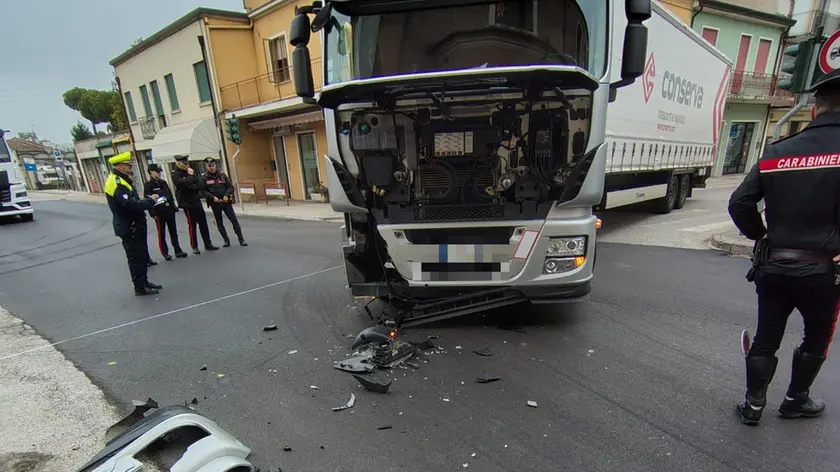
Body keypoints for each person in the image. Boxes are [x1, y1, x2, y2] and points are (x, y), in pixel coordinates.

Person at [728, 68, 840, 426]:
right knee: (818, 334)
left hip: (774, 264)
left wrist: (760, 236)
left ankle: (753, 405)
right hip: (824, 270)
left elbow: (740, 203)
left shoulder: (778, 152)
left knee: (767, 333)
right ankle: (795, 400)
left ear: (813, 110)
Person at [103, 151, 163, 296]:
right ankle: (140, 287)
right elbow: (131, 204)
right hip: (129, 227)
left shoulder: (122, 180)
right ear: (121, 166)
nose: (131, 169)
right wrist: (150, 201)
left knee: (141, 255)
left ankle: (144, 281)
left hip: (134, 225)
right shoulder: (117, 183)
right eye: (128, 166)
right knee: (135, 258)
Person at [171, 155, 218, 254]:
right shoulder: (176, 174)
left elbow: (199, 185)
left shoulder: (190, 172)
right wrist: (190, 177)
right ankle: (194, 246)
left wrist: (191, 183)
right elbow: (182, 184)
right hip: (187, 203)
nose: (186, 165)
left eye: (187, 163)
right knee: (192, 225)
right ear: (178, 163)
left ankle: (208, 243)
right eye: (184, 163)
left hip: (196, 200)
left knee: (203, 224)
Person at [200, 157, 247, 247]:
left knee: (234, 221)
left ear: (215, 165)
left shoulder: (222, 175)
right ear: (207, 167)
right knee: (219, 223)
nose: (211, 168)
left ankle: (241, 239)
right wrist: (212, 197)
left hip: (226, 202)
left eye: (213, 165)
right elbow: (202, 191)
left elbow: (230, 187)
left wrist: (226, 195)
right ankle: (226, 240)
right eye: (209, 166)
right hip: (215, 203)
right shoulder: (204, 178)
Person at [144, 164, 188, 261]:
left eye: (159, 171)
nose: (159, 173)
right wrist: (152, 213)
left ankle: (178, 250)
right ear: (151, 172)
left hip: (169, 210)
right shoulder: (149, 185)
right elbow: (147, 200)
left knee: (173, 232)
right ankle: (165, 252)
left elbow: (169, 195)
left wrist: (173, 206)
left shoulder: (163, 182)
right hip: (159, 212)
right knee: (161, 233)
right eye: (157, 171)